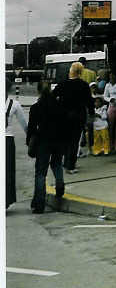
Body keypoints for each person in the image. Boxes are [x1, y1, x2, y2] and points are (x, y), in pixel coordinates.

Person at [27, 84, 67, 213]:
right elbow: (64, 123)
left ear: (38, 91)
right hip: (58, 140)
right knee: (56, 164)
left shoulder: (35, 108)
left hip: (43, 141)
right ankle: (60, 186)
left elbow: (32, 128)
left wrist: (30, 142)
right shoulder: (59, 105)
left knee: (40, 173)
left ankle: (39, 203)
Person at [55, 62, 93, 174]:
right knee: (74, 141)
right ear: (80, 72)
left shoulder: (62, 84)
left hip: (64, 115)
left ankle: (65, 161)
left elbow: (53, 96)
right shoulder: (84, 85)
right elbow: (89, 101)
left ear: (70, 71)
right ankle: (70, 165)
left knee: (65, 139)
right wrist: (91, 112)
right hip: (79, 115)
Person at [102, 70, 116, 152]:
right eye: (110, 76)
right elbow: (105, 96)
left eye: (113, 75)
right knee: (110, 125)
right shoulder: (108, 85)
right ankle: (110, 144)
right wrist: (109, 99)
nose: (111, 77)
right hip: (111, 106)